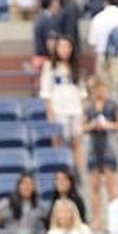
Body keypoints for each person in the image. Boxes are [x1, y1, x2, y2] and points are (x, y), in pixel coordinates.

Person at [39, 35, 84, 172]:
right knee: (58, 141)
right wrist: (49, 111)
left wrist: (84, 112)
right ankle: (60, 170)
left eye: (67, 47)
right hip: (58, 109)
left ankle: (78, 172)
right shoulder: (49, 67)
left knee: (76, 142)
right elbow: (46, 91)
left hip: (75, 109)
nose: (64, 50)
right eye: (61, 46)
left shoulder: (76, 67)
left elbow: (82, 92)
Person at [83, 76, 118, 229]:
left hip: (108, 146)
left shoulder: (113, 105)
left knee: (111, 187)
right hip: (93, 146)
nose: (99, 92)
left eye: (101, 89)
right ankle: (97, 219)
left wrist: (107, 125)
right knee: (94, 186)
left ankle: (114, 219)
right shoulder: (88, 107)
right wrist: (92, 125)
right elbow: (83, 126)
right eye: (96, 89)